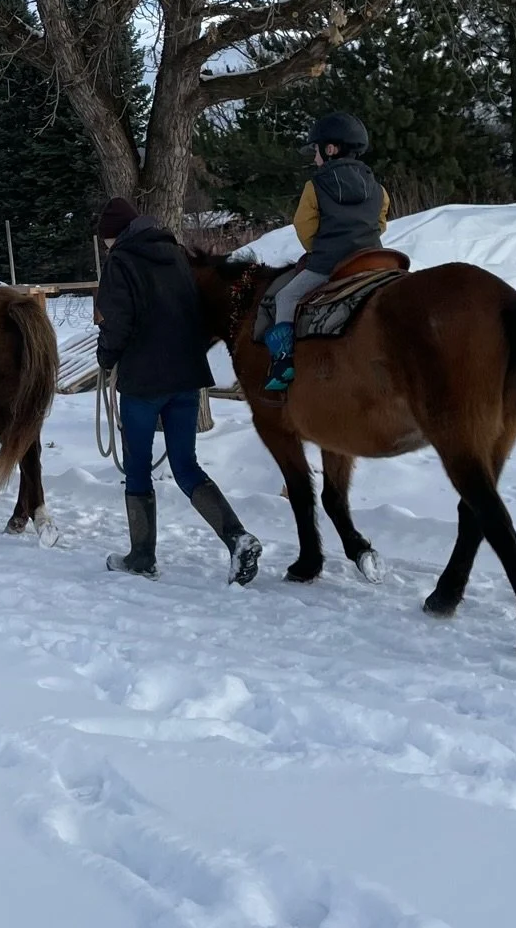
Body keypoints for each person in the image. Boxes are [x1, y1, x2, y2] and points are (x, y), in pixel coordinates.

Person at [94, 198, 264, 584]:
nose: (105, 246)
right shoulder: (175, 253)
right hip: (186, 377)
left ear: (113, 236)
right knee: (186, 465)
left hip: (143, 380)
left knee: (137, 468)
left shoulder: (121, 262)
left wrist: (106, 358)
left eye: (105, 240)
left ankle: (141, 556)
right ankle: (237, 537)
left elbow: (117, 321)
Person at [261, 111, 388, 391]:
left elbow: (303, 224)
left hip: (331, 263)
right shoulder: (378, 187)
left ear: (330, 149)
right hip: (375, 261)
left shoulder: (315, 185)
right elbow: (381, 223)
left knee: (286, 297)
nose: (315, 158)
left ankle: (283, 364)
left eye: (317, 151)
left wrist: (316, 250)